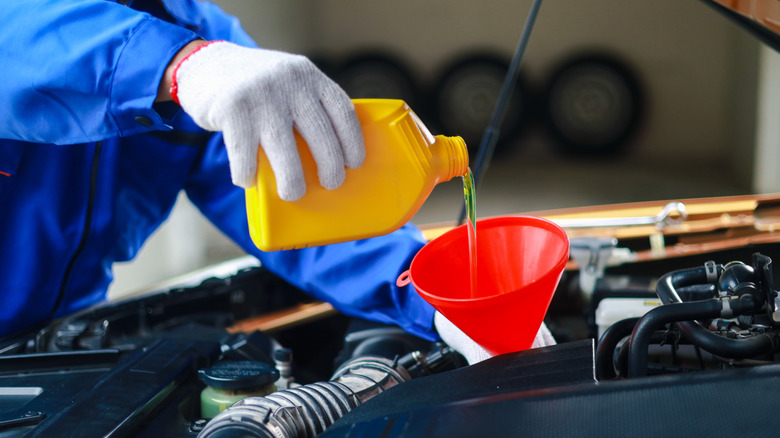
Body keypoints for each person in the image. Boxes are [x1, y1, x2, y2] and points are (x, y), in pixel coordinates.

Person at [0, 0, 551, 364]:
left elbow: (303, 205)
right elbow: (25, 42)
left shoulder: (206, 36)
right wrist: (178, 66)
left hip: (52, 351)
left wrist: (426, 295)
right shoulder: (198, 57)